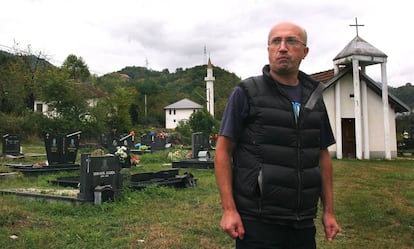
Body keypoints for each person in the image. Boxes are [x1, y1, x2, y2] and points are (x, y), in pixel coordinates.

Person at [214, 21, 340, 249]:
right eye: (276, 41)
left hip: (302, 223)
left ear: (305, 52)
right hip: (257, 220)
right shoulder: (247, 92)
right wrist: (229, 209)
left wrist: (329, 211)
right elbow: (223, 151)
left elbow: (322, 157)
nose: (282, 47)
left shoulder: (314, 98)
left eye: (291, 41)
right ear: (269, 49)